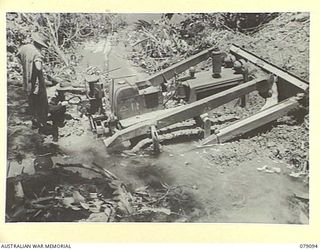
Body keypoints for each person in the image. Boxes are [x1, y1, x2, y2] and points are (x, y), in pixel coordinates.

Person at [16, 32, 49, 130]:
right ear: (41, 44)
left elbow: (18, 56)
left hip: (27, 79)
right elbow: (38, 68)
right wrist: (40, 60)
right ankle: (42, 124)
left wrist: (26, 65)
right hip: (36, 82)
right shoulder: (37, 53)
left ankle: (34, 121)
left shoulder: (25, 47)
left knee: (31, 101)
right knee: (40, 102)